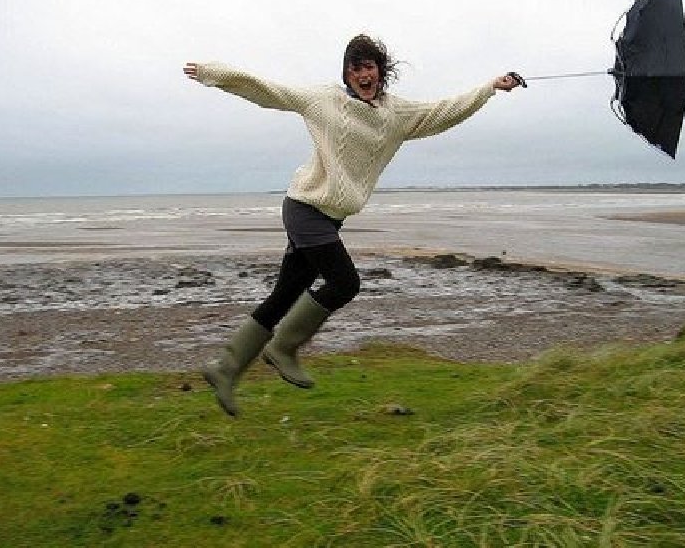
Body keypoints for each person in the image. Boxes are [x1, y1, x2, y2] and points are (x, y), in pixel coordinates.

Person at [183, 34, 522, 416]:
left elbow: (444, 111)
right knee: (345, 283)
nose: (363, 75)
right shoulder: (324, 100)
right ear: (346, 74)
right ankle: (282, 349)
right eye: (354, 68)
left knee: (284, 296)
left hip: (329, 218)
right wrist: (214, 73)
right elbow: (267, 90)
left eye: (369, 67)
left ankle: (225, 368)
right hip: (305, 208)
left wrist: (490, 88)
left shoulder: (396, 114)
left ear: (380, 70)